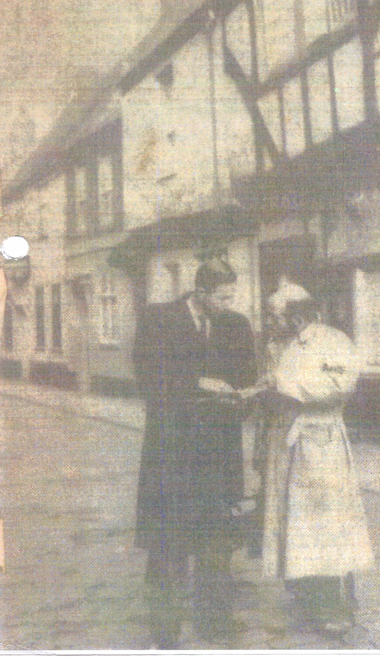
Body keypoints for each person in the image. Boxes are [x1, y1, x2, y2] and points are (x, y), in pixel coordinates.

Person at [133, 255, 257, 649]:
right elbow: (149, 375)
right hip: (173, 453)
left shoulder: (236, 326)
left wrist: (246, 396)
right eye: (222, 296)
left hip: (219, 453)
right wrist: (201, 382)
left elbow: (245, 378)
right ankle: (166, 632)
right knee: (168, 542)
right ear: (200, 292)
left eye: (232, 295)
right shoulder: (158, 320)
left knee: (217, 540)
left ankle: (215, 620)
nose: (228, 302)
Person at [257, 281, 374, 634]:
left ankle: (336, 605)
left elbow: (340, 385)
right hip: (287, 442)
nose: (269, 322)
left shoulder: (334, 342)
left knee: (325, 527)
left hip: (320, 444)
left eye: (273, 315)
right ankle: (309, 596)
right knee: (296, 525)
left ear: (295, 316)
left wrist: (284, 388)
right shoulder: (282, 346)